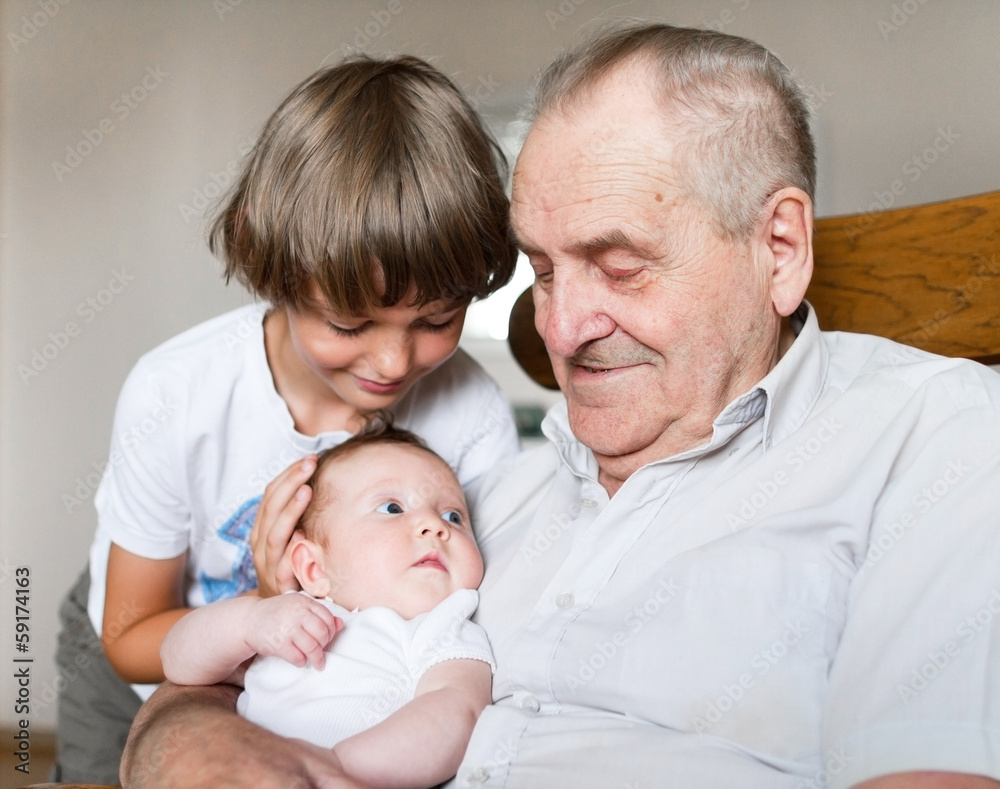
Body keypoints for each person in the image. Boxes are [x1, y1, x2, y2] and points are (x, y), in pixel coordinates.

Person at [122, 23, 1000, 789]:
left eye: (619, 266)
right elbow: (221, 668)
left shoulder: (931, 436)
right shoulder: (475, 499)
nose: (560, 327)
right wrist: (199, 746)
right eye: (542, 271)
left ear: (778, 248)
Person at [53, 54, 519, 785]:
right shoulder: (177, 392)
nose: (394, 361)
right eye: (349, 320)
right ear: (270, 260)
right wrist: (263, 607)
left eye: (437, 318)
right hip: (150, 634)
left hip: (325, 680)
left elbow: (473, 602)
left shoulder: (471, 414)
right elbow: (129, 633)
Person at [161, 418, 495, 788]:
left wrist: (337, 765)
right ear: (313, 567)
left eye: (454, 516)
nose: (435, 526)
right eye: (392, 508)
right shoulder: (284, 614)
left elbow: (457, 713)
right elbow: (178, 662)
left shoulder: (446, 626)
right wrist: (248, 623)